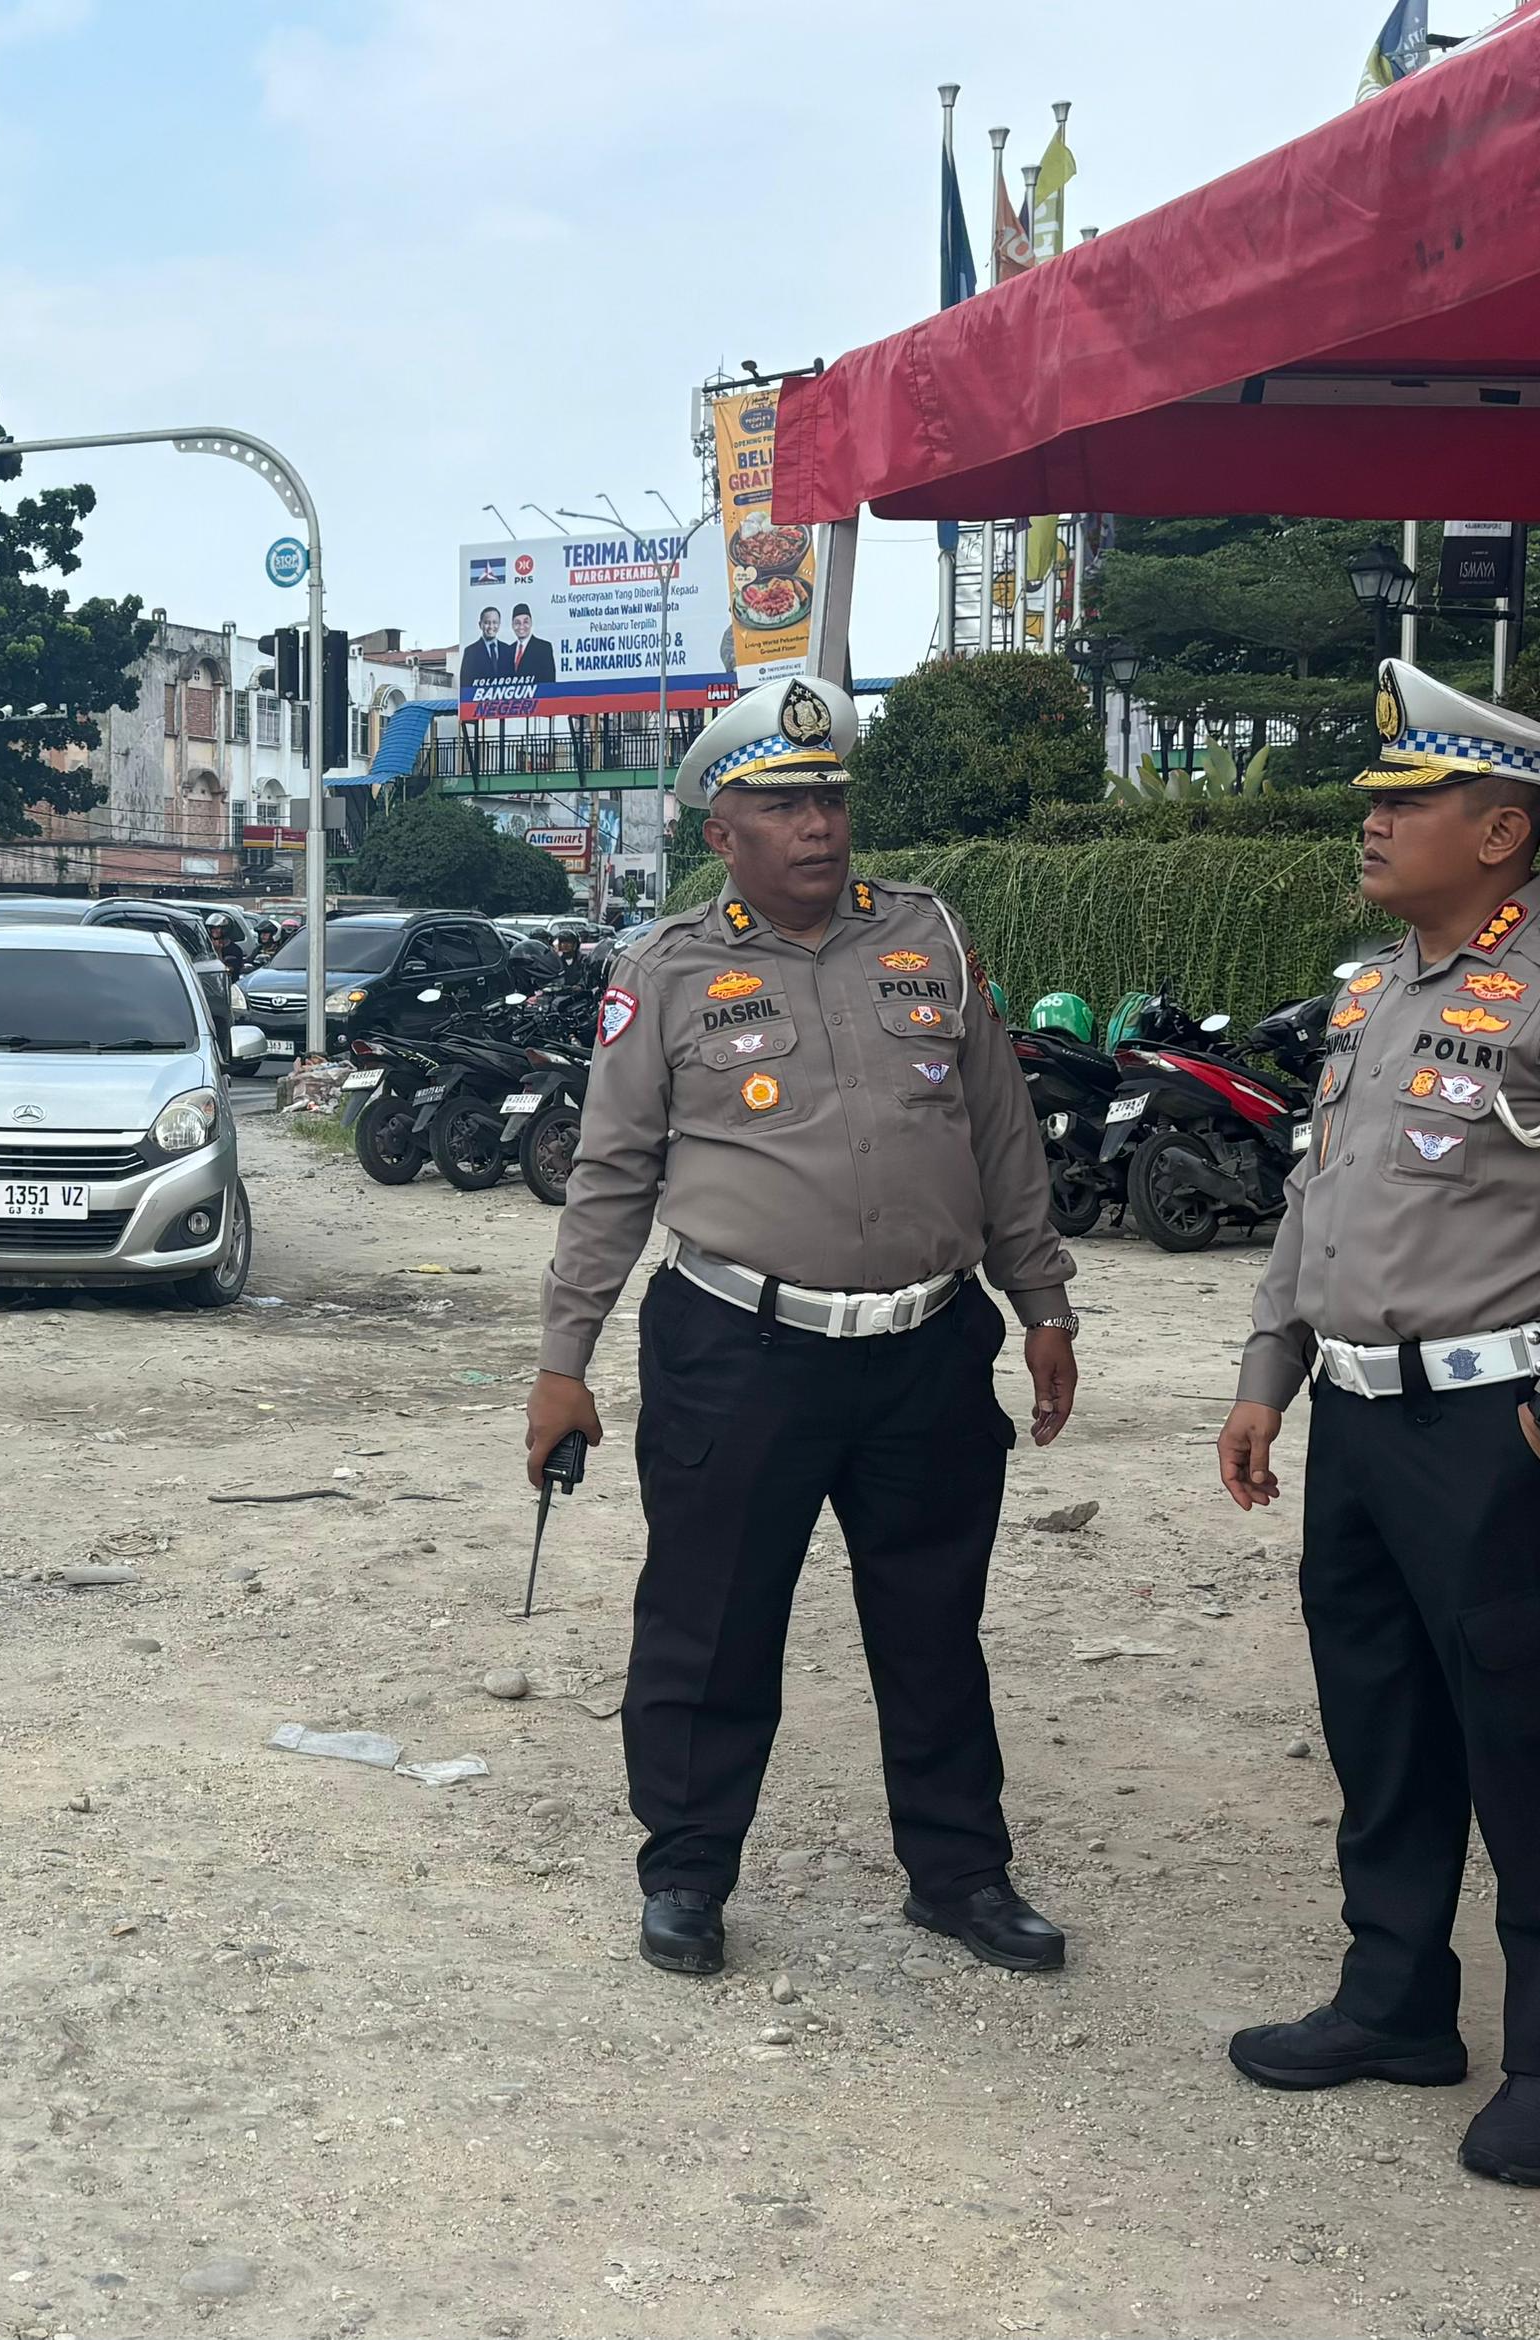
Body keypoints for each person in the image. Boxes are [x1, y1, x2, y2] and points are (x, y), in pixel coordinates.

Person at [1214, 659, 1540, 2193]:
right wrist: (1267, 1371)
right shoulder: (1371, 995)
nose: (1374, 826)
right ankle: (1396, 2005)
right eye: (1379, 802)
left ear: (1502, 830)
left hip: (1505, 1423)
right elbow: (1321, 1200)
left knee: (1522, 1740)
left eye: (1410, 800)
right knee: (1380, 1728)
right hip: (1362, 1428)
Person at [530, 676, 1083, 1986]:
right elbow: (611, 1176)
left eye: (829, 796)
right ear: (722, 830)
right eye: (782, 804)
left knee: (934, 1622)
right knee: (710, 1623)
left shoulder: (930, 937)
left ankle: (959, 1875)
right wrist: (565, 1364)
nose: (818, 824)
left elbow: (998, 1134)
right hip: (739, 1349)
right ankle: (687, 1874)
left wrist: (1042, 1301)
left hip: (928, 1348)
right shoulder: (664, 971)